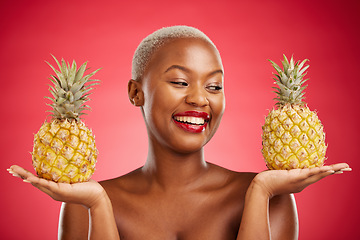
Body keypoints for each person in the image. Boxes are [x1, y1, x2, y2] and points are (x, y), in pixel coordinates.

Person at [8, 26, 351, 240]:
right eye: (179, 82)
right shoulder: (84, 202)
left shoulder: (271, 198)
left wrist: (260, 192)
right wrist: (98, 206)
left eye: (214, 85)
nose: (200, 98)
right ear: (135, 93)